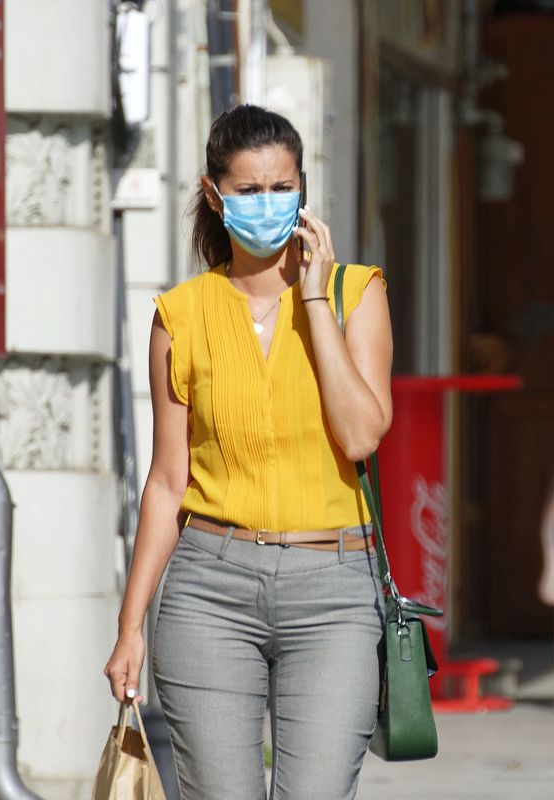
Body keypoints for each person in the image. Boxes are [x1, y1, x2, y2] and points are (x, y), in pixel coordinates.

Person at [103, 104, 393, 799]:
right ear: (214, 193)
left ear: (303, 189)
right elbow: (168, 482)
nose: (268, 204)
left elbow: (361, 435)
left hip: (333, 588)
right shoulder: (181, 314)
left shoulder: (359, 294)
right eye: (249, 191)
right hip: (210, 589)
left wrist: (316, 302)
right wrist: (129, 624)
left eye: (281, 188)